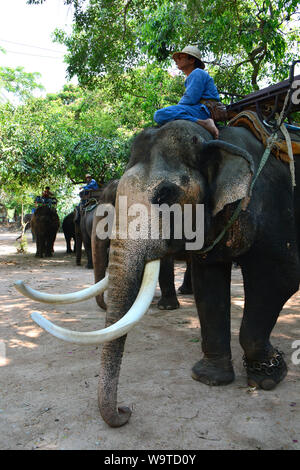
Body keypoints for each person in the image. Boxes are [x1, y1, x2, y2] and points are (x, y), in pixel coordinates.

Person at [154, 45, 220, 139]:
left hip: (203, 111)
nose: (176, 60)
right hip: (198, 109)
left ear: (192, 60)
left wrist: (177, 109)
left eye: (180, 57)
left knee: (159, 114)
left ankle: (204, 122)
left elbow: (190, 99)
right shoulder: (193, 75)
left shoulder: (197, 73)